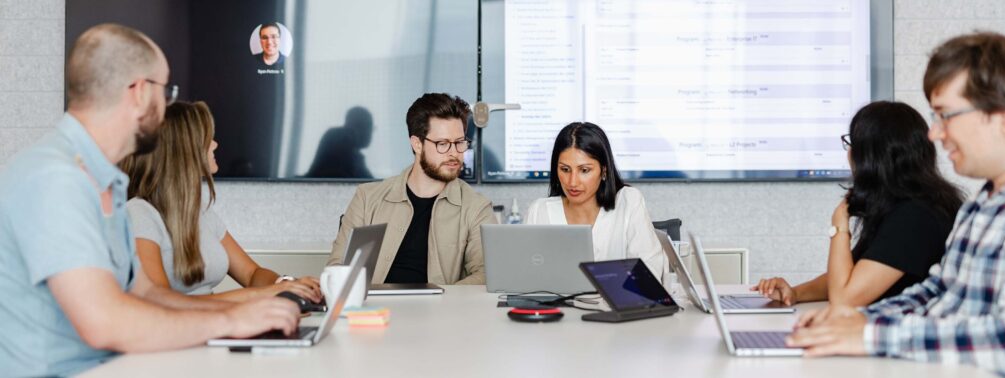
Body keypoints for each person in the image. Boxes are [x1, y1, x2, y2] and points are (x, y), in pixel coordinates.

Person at [0, 24, 301, 376]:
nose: (167, 104)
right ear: (140, 92)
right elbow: (103, 322)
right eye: (166, 91)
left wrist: (246, 309)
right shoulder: (57, 179)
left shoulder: (106, 181)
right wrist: (229, 322)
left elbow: (147, 294)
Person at [787, 32, 1005, 377]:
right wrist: (853, 319)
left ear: (1001, 115)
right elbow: (936, 291)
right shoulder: (980, 208)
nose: (934, 134)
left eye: (946, 115)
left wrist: (872, 334)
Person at [752, 101, 963, 307]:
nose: (849, 154)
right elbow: (850, 275)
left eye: (852, 144)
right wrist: (795, 293)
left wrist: (839, 226)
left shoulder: (916, 216)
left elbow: (844, 298)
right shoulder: (902, 205)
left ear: (870, 157)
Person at [121, 101, 322, 303]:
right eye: (208, 138)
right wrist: (264, 295)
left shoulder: (202, 214)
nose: (215, 144)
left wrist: (285, 284)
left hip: (213, 324)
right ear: (187, 149)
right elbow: (161, 303)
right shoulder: (139, 214)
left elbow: (251, 274)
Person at [325, 93, 496, 284]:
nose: (454, 153)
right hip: (375, 311)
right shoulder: (367, 198)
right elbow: (338, 268)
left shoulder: (477, 208)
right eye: (443, 144)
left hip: (441, 312)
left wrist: (441, 300)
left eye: (459, 143)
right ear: (417, 144)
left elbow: (486, 274)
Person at [525, 122, 666, 281]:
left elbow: (650, 272)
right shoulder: (539, 211)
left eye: (584, 170)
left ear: (604, 170)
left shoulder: (628, 202)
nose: (572, 182)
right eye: (565, 170)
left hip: (617, 305)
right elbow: (527, 275)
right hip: (558, 305)